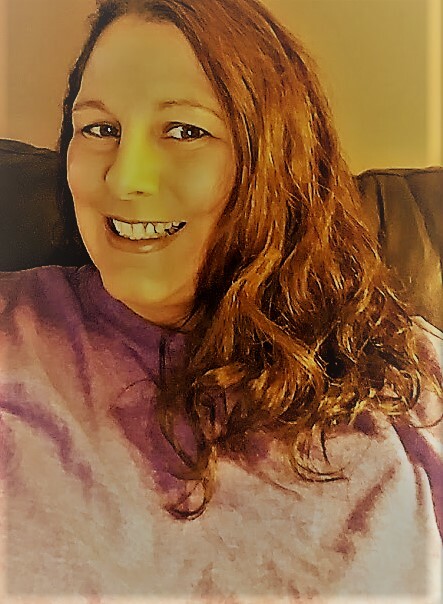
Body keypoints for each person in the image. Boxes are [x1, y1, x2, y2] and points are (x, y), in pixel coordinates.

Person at [0, 0, 441, 601]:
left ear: (276, 159)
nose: (125, 178)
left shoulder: (408, 373)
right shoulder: (13, 328)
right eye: (100, 129)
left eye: (185, 131)